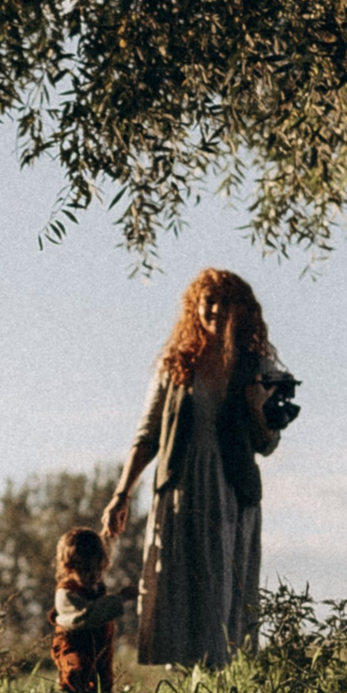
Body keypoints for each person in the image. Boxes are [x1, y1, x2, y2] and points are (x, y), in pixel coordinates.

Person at [102, 268, 288, 669]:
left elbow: (268, 444)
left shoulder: (257, 365)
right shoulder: (176, 365)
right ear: (195, 306)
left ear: (242, 310)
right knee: (181, 583)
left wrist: (258, 407)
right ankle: (188, 687)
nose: (216, 309)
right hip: (182, 488)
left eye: (225, 301)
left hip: (231, 490)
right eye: (209, 301)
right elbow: (147, 433)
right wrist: (122, 493)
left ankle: (223, 683)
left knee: (224, 585)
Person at [49, 524, 120, 693]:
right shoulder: (66, 594)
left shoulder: (97, 589)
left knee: (104, 687)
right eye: (86, 570)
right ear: (69, 568)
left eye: (98, 569)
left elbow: (107, 546)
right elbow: (87, 616)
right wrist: (120, 599)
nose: (94, 575)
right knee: (75, 676)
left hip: (100, 647)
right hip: (74, 647)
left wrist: (110, 533)